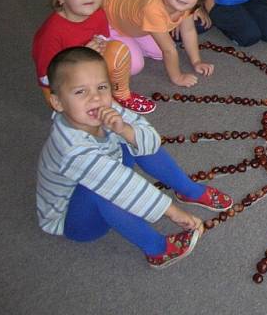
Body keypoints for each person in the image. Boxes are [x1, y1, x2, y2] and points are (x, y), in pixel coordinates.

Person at [36, 47, 233, 268]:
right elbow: (119, 184)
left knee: (134, 138)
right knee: (102, 191)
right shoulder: (71, 149)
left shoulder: (106, 108)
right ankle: (157, 248)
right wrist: (172, 212)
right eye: (80, 92)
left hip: (108, 168)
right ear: (58, 102)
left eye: (102, 87)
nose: (95, 98)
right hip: (75, 219)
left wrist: (125, 130)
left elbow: (152, 140)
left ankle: (189, 189)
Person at [32, 0, 155, 114]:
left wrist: (100, 47)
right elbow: (46, 77)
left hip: (89, 66)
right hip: (62, 78)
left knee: (125, 56)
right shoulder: (51, 33)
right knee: (78, 113)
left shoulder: (98, 14)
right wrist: (82, 56)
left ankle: (120, 94)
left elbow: (104, 38)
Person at [103, 0, 215, 88]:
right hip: (109, 19)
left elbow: (189, 31)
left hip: (133, 21)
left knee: (159, 53)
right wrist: (177, 77)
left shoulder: (185, 4)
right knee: (135, 66)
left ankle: (131, 41)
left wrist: (197, 61)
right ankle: (102, 44)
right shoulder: (153, 9)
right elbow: (169, 50)